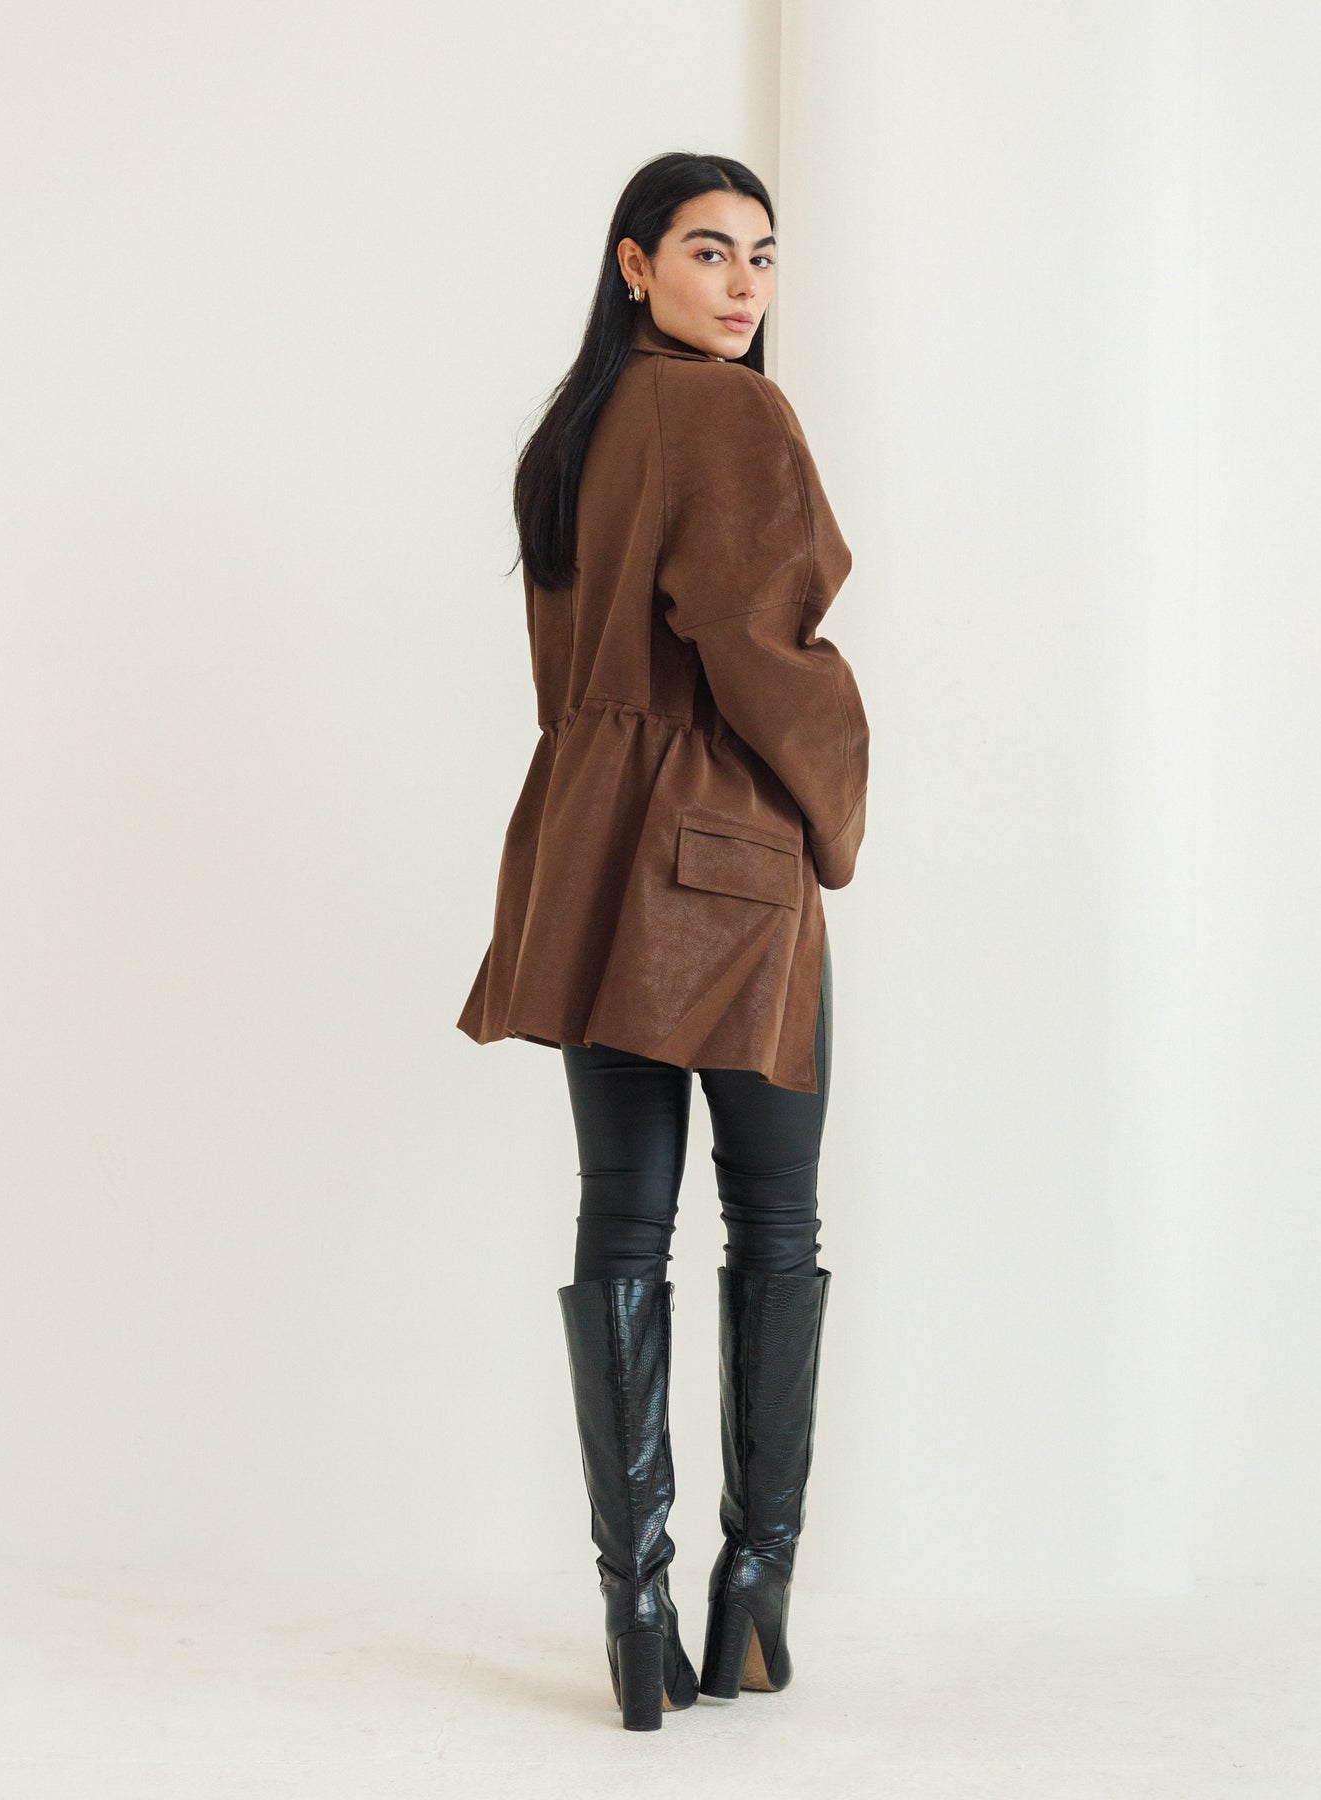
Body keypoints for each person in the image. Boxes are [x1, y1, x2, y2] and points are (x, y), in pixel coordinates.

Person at [456, 150, 869, 1730]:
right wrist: (836, 800)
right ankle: (752, 1593)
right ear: (634, 263)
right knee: (775, 1217)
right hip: (725, 857)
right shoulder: (730, 414)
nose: (745, 284)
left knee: (621, 1223)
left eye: (763, 254)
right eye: (709, 251)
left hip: (591, 848)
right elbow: (762, 645)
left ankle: (634, 1620)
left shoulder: (573, 433)